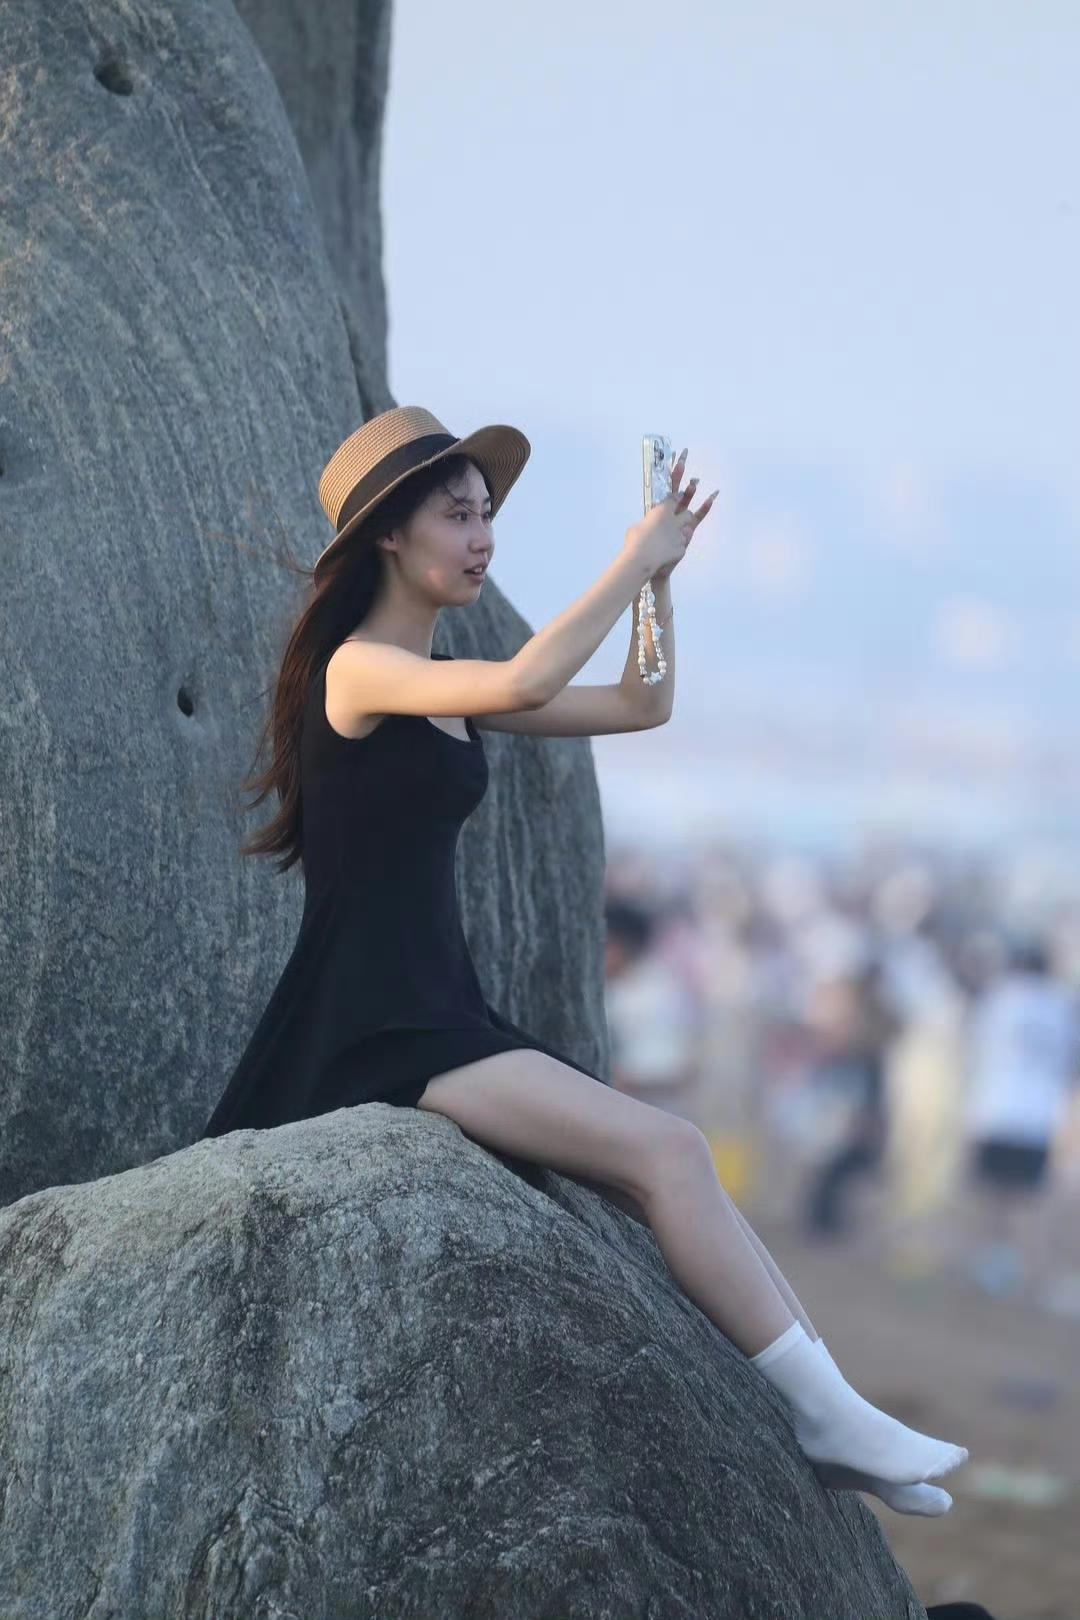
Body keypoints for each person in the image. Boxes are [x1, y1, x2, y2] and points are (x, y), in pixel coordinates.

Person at [198, 404, 967, 1516]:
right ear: (389, 536)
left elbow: (644, 703)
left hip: (443, 1012)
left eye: (487, 514)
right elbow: (523, 682)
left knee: (669, 1169)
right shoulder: (361, 670)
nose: (482, 537)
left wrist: (661, 586)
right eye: (457, 516)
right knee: (671, 1150)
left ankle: (833, 1410)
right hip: (378, 1025)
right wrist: (629, 562)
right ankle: (827, 1415)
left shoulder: (444, 682)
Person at [959, 937, 1080, 1299]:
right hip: (1038, 1116)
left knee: (991, 1195)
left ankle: (989, 1264)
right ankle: (1021, 1271)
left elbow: (974, 1046)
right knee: (1027, 1200)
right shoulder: (1063, 1006)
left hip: (995, 1108)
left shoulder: (1000, 997)